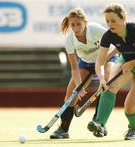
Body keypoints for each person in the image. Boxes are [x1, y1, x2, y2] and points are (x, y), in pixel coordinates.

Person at [87, 3, 135, 140]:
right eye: (107, 21)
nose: (110, 24)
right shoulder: (108, 35)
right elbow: (99, 61)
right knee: (110, 86)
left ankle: (134, 128)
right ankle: (100, 123)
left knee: (129, 107)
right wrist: (102, 79)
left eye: (113, 20)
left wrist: (133, 63)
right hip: (126, 61)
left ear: (123, 18)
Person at [50, 7, 119, 139]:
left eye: (79, 24)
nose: (76, 28)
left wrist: (104, 59)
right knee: (71, 92)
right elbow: (75, 68)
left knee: (106, 84)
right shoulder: (69, 40)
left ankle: (99, 123)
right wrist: (78, 86)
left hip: (107, 58)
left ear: (85, 22)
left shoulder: (94, 29)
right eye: (73, 25)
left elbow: (117, 42)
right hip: (86, 63)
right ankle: (63, 129)